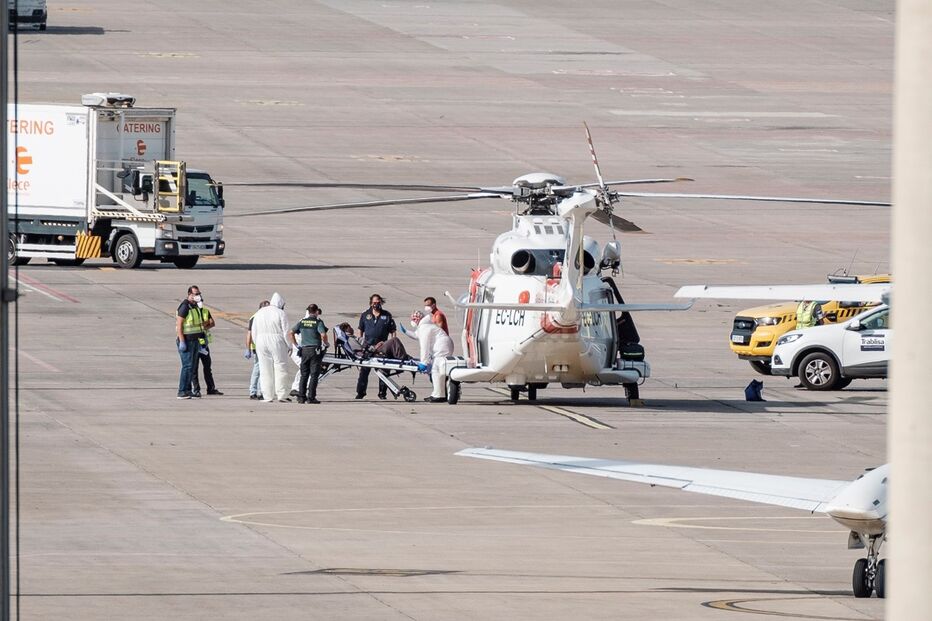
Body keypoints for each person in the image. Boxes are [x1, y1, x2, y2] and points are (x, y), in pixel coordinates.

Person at [250, 292, 292, 403]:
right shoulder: (281, 313)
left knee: (265, 369)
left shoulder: (259, 312)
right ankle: (282, 394)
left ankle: (267, 396)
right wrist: (289, 345)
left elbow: (254, 331)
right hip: (277, 340)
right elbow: (286, 331)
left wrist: (256, 343)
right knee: (280, 367)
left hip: (260, 341)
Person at [356, 293, 396, 400]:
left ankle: (382, 393)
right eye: (374, 302)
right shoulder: (365, 315)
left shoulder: (387, 315)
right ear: (370, 303)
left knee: (383, 371)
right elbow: (360, 329)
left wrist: (392, 342)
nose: (376, 304)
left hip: (382, 347)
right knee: (364, 371)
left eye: (378, 302)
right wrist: (360, 342)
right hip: (368, 346)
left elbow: (393, 331)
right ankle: (361, 393)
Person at [288, 304, 329, 404]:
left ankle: (301, 397)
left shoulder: (302, 322)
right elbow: (323, 334)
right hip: (315, 351)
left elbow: (290, 332)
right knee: (314, 375)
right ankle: (311, 397)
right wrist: (326, 343)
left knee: (304, 375)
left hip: (304, 350)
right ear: (316, 312)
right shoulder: (318, 322)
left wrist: (296, 344)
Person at [411, 310, 454, 403]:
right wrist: (405, 331)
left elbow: (424, 346)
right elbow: (416, 335)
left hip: (442, 348)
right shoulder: (425, 326)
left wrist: (423, 362)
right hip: (444, 346)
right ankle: (437, 394)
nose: (413, 321)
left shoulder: (424, 328)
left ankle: (439, 395)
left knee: (436, 371)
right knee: (437, 372)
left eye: (414, 319)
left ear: (418, 319)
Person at [175, 285, 205, 399]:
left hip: (195, 340)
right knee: (186, 366)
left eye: (199, 293)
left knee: (192, 366)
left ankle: (188, 390)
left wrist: (202, 339)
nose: (198, 296)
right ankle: (182, 391)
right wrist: (182, 341)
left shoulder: (195, 306)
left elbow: (199, 324)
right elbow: (179, 325)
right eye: (196, 294)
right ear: (189, 294)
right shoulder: (185, 307)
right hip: (186, 341)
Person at [191, 292, 223, 396]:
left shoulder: (205, 311)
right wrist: (202, 325)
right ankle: (196, 389)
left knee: (207, 366)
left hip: (203, 344)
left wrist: (203, 327)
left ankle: (211, 388)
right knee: (194, 367)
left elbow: (212, 323)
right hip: (195, 343)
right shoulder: (192, 312)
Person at [245, 300, 269, 400]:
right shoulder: (256, 317)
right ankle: (255, 391)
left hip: (261, 346)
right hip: (258, 347)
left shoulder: (260, 317)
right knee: (259, 369)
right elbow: (249, 334)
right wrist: (248, 348)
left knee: (260, 369)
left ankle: (257, 391)